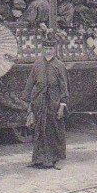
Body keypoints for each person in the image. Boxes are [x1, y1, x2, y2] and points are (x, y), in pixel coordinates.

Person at [23, 34, 69, 169]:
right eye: (46, 48)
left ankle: (52, 159)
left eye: (51, 48)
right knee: (39, 130)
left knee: (53, 130)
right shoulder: (37, 63)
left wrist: (62, 105)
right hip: (39, 102)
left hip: (54, 102)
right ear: (42, 49)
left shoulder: (59, 65)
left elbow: (64, 86)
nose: (48, 51)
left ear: (55, 50)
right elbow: (31, 82)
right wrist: (28, 102)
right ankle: (37, 159)